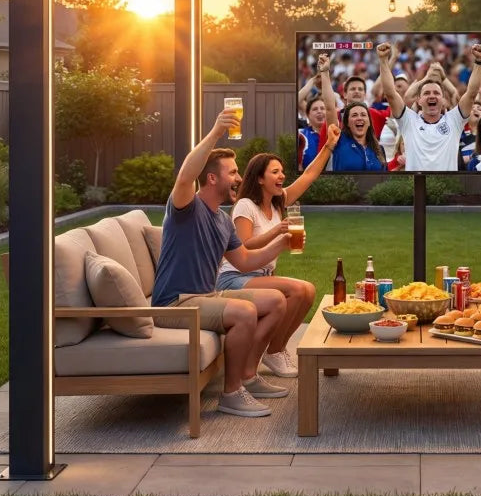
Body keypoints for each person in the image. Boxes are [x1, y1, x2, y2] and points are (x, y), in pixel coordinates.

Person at [150, 109, 290, 418]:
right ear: (212, 178)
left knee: (276, 301)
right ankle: (231, 394)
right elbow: (185, 176)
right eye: (233, 173)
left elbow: (244, 261)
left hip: (206, 295)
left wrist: (281, 242)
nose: (240, 178)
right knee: (244, 312)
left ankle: (249, 376)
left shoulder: (223, 221)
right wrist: (215, 132)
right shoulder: (187, 208)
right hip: (175, 303)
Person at [216, 121, 341, 378]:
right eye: (275, 172)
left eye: (282, 171)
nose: (282, 176)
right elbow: (242, 245)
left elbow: (308, 176)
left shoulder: (277, 202)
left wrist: (328, 146)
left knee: (307, 291)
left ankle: (276, 350)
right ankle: (269, 354)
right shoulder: (246, 206)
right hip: (234, 277)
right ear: (260, 178)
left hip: (260, 276)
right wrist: (277, 232)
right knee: (298, 290)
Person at [375, 39, 481, 171]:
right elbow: (390, 93)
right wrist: (383, 60)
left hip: (447, 185)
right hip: (416, 184)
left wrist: (479, 61)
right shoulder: (408, 120)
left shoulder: (455, 120)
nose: (432, 96)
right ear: (419, 100)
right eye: (427, 93)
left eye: (436, 93)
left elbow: (472, 93)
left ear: (443, 99)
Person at [318, 53, 387, 171]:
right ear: (347, 122)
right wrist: (324, 72)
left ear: (369, 122)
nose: (359, 118)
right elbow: (329, 108)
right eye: (354, 115)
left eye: (363, 115)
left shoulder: (379, 150)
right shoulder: (338, 141)